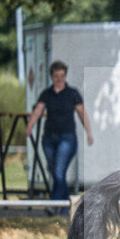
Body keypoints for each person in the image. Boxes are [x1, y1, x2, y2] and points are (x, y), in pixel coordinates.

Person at [26, 60, 94, 213]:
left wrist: (89, 132)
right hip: (49, 138)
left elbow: (82, 114)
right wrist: (30, 126)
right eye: (56, 76)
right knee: (56, 172)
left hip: (67, 139)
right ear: (52, 77)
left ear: (65, 76)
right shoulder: (47, 94)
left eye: (62, 76)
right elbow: (38, 111)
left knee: (58, 172)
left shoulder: (72, 93)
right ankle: (65, 207)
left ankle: (54, 204)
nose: (59, 79)